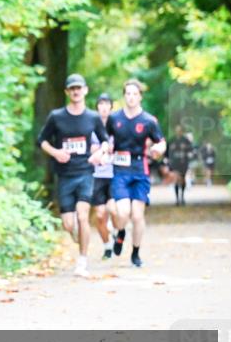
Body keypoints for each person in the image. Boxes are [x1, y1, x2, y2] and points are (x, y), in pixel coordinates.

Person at [37, 74, 109, 277]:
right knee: (69, 224)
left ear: (85, 90)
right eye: (72, 89)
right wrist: (56, 152)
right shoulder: (56, 116)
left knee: (83, 216)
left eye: (79, 88)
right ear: (67, 92)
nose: (76, 92)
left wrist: (100, 153)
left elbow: (105, 141)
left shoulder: (93, 117)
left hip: (85, 172)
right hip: (65, 176)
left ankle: (82, 262)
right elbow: (42, 140)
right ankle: (79, 239)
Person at [107, 78, 166, 267]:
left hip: (141, 171)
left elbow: (161, 141)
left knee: (137, 216)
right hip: (120, 171)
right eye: (128, 94)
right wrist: (105, 148)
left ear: (140, 97)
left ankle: (135, 253)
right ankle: (121, 232)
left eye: (135, 94)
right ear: (124, 96)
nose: (131, 97)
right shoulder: (114, 119)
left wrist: (158, 150)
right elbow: (105, 139)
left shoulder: (148, 121)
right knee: (122, 212)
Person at [90, 93, 116, 259]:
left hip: (114, 175)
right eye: (101, 104)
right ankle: (107, 246)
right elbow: (89, 149)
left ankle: (116, 230)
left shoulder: (117, 126)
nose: (104, 107)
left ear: (111, 107)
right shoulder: (90, 127)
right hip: (96, 175)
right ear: (97, 107)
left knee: (114, 210)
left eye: (107, 104)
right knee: (100, 215)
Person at [167, 125, 194, 206]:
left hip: (183, 163)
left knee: (182, 179)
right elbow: (167, 151)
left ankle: (182, 196)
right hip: (174, 163)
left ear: (182, 131)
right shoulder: (172, 140)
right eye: (177, 130)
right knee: (176, 178)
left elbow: (191, 150)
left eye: (180, 130)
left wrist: (188, 156)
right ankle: (177, 199)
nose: (178, 132)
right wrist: (167, 159)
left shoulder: (186, 141)